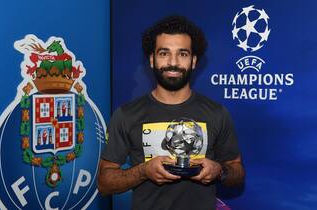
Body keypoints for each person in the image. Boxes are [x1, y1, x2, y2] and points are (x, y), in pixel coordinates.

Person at [98, 15, 245, 210]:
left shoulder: (217, 113)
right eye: (164, 53)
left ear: (193, 61)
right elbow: (104, 183)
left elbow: (237, 172)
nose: (173, 62)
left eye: (182, 54)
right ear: (152, 59)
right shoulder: (126, 114)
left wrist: (219, 171)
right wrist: (143, 171)